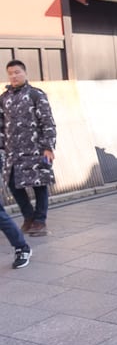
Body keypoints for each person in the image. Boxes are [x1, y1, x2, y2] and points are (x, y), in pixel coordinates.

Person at [0, 60, 56, 236]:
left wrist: (48, 147)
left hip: (35, 150)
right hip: (12, 153)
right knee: (12, 184)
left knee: (39, 185)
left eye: (17, 72)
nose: (14, 76)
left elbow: (47, 122)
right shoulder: (4, 98)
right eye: (10, 73)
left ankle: (40, 221)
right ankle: (29, 217)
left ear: (24, 73)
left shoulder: (36, 95)